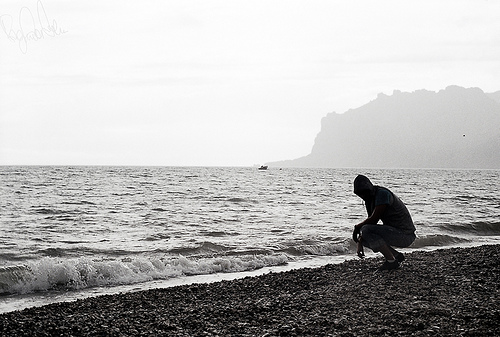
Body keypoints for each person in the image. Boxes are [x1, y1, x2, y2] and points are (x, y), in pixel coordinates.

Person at [352, 175, 416, 270]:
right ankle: (396, 256)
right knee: (365, 235)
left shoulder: (382, 194)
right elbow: (371, 223)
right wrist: (360, 242)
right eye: (360, 194)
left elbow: (373, 219)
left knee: (365, 230)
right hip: (395, 232)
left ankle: (391, 261)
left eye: (364, 193)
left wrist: (357, 227)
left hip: (405, 235)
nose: (363, 196)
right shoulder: (369, 199)